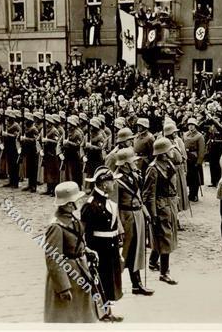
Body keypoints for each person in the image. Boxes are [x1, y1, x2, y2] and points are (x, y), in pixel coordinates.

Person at [44, 181, 97, 323]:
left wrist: (86, 250)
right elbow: (53, 259)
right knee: (65, 318)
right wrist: (63, 288)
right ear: (68, 204)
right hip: (68, 276)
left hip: (80, 273)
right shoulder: (56, 226)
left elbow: (75, 241)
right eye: (75, 201)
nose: (77, 204)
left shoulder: (71, 218)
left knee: (82, 315)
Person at [81, 167, 124, 322]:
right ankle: (100, 312)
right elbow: (85, 232)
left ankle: (106, 311)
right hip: (99, 249)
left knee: (108, 281)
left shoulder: (106, 200)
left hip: (110, 247)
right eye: (111, 181)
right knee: (100, 281)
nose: (114, 184)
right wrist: (90, 252)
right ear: (104, 184)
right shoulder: (90, 205)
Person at [113, 148, 154, 295]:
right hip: (126, 217)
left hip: (138, 216)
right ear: (124, 165)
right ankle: (115, 285)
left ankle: (136, 285)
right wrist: (119, 227)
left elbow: (139, 197)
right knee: (125, 252)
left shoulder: (134, 176)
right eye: (132, 162)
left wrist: (145, 212)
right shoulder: (116, 181)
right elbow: (114, 205)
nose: (135, 164)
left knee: (137, 250)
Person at [143, 138, 179, 284]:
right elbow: (148, 194)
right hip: (160, 206)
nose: (172, 151)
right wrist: (153, 214)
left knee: (165, 236)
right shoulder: (153, 169)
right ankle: (164, 272)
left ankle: (152, 261)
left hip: (169, 204)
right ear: (163, 153)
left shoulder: (168, 163)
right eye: (170, 149)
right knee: (165, 238)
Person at [183, 117, 205, 202]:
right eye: (189, 125)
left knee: (195, 178)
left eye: (192, 125)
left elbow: (202, 150)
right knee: (188, 177)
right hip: (186, 157)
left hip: (194, 158)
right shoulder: (185, 134)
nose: (190, 127)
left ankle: (194, 194)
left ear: (195, 126)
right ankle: (190, 194)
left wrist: (199, 161)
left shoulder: (199, 136)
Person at [41, 114, 61, 196]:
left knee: (53, 172)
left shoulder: (54, 130)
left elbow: (58, 141)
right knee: (47, 171)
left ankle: (54, 189)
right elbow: (40, 138)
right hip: (46, 151)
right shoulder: (44, 129)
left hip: (53, 152)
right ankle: (48, 188)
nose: (46, 123)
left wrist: (48, 140)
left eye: (47, 121)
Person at [2, 110, 21, 188]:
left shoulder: (16, 125)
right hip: (8, 145)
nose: (7, 118)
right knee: (9, 164)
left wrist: (8, 134)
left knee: (14, 164)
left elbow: (18, 135)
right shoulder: (7, 124)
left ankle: (15, 182)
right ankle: (11, 180)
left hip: (14, 146)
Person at [21, 112, 39, 192]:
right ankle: (29, 184)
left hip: (33, 150)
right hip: (28, 150)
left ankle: (33, 186)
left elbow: (36, 139)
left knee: (33, 168)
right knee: (29, 168)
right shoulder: (26, 128)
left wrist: (26, 139)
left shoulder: (34, 129)